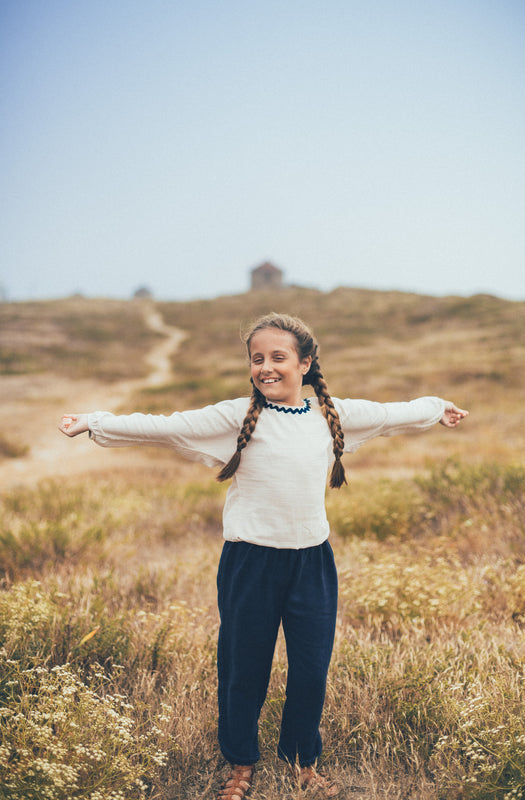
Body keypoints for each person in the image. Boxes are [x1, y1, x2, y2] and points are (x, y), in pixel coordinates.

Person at [59, 312, 468, 799]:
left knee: (311, 668)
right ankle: (239, 765)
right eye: (258, 359)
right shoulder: (236, 416)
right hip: (249, 562)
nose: (266, 367)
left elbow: (390, 413)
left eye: (278, 357)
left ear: (305, 362)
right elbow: (165, 427)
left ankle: (302, 762)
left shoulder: (330, 414)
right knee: (242, 666)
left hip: (311, 563)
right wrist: (93, 422)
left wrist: (436, 407)